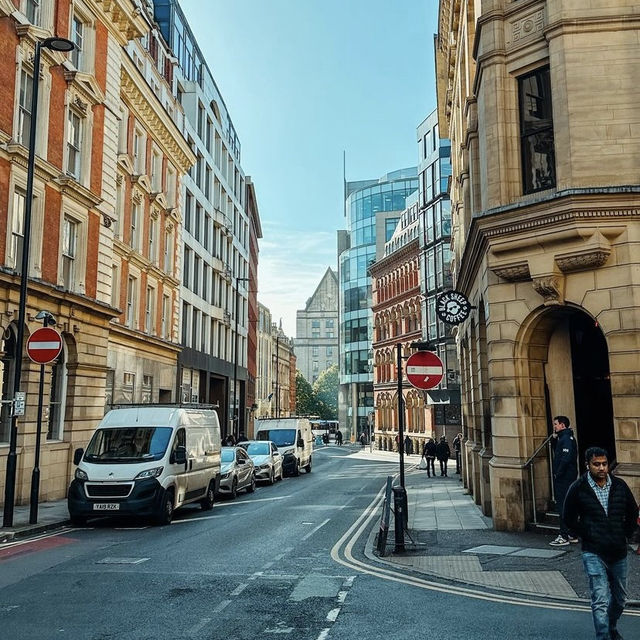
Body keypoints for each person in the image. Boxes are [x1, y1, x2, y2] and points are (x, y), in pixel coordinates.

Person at [564, 447, 639, 640]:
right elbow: (568, 518)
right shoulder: (578, 488)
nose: (601, 468)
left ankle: (611, 626)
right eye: (596, 464)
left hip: (618, 551)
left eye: (604, 464)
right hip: (593, 551)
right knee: (600, 599)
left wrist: (626, 534)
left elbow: (632, 512)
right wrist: (586, 534)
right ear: (587, 465)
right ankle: (603, 636)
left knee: (620, 599)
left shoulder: (620, 486)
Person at [549, 415, 579, 546]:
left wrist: (558, 473)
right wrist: (555, 440)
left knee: (562, 506)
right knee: (568, 505)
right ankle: (571, 533)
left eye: (556, 424)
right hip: (568, 476)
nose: (554, 427)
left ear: (562, 425)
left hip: (565, 477)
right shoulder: (565, 438)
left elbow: (565, 458)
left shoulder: (566, 438)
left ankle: (563, 535)